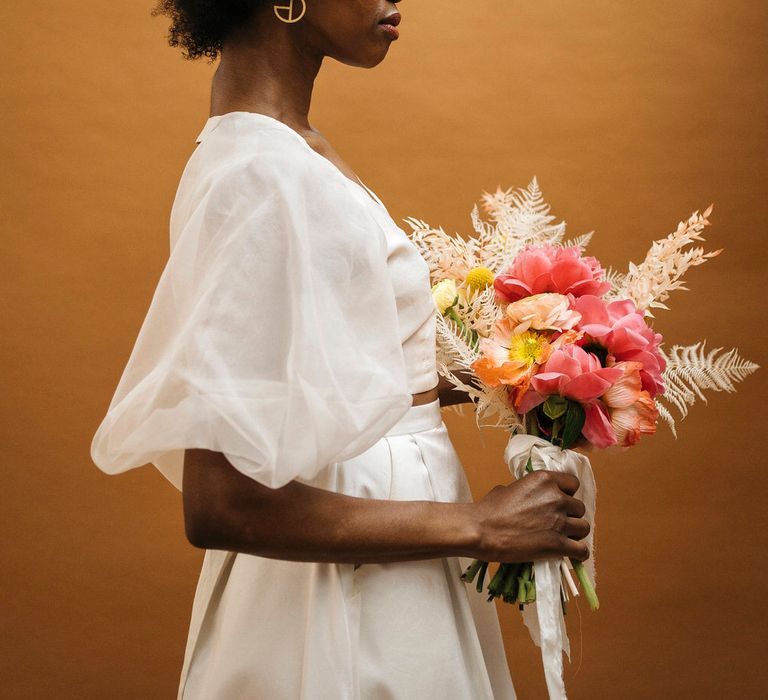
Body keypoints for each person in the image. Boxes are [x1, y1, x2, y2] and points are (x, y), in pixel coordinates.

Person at [90, 1, 591, 697]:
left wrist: (524, 363)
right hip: (344, 590)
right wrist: (477, 525)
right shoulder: (260, 176)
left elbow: (334, 372)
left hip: (380, 556)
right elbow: (220, 503)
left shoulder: (291, 148)